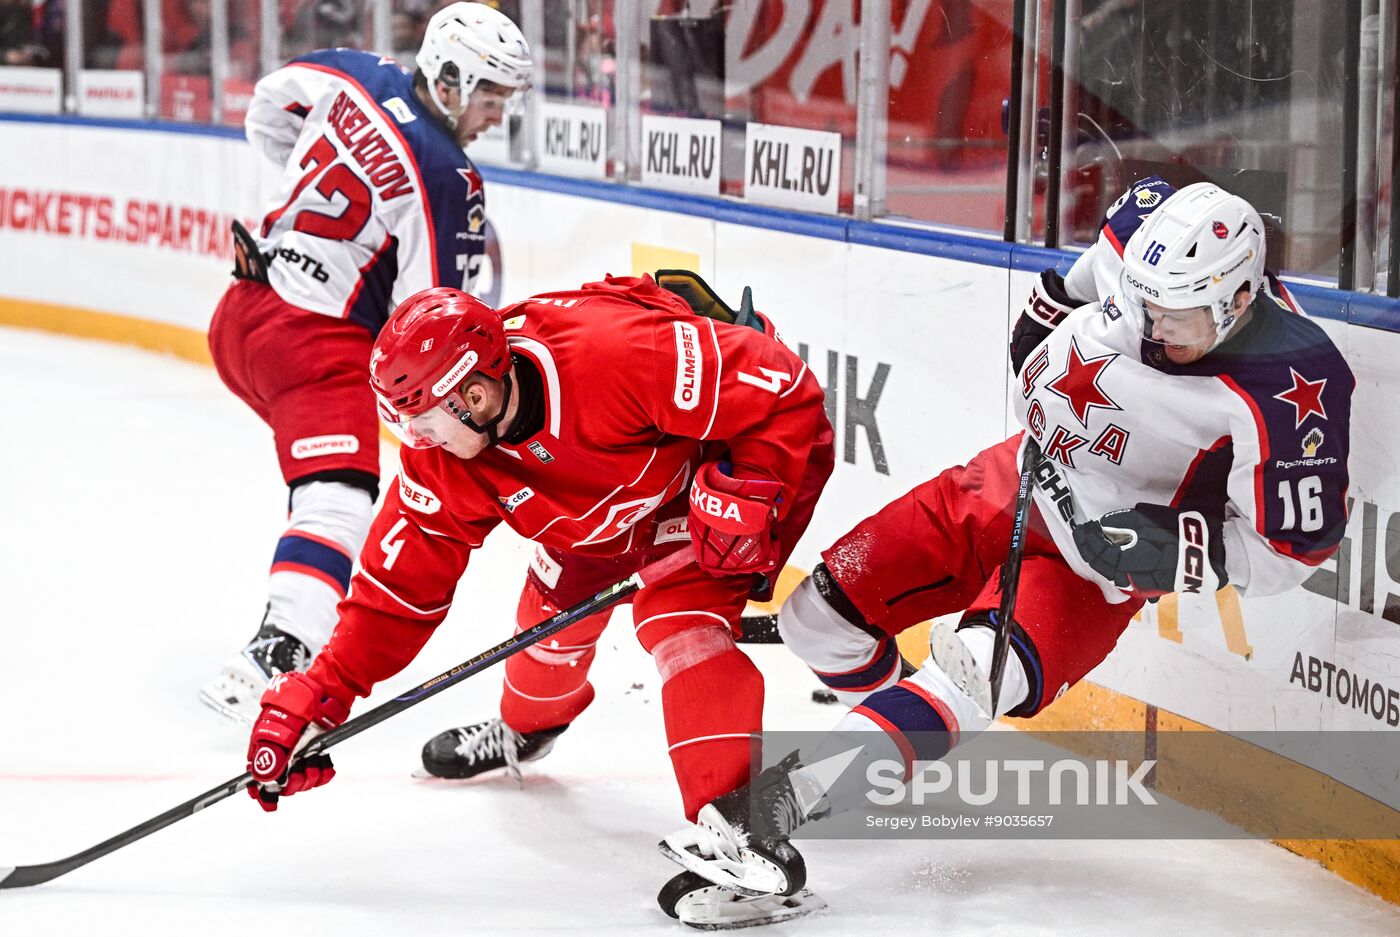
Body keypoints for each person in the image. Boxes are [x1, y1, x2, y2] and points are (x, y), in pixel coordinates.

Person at [656, 182, 1354, 927]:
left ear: (1236, 298)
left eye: (1174, 317)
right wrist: (1041, 319)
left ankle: (778, 809)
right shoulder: (1141, 233)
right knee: (814, 620)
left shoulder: (1291, 380)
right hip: (1005, 478)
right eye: (1142, 304)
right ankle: (898, 735)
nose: (1150, 328)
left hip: (1089, 570)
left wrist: (1178, 552)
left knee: (967, 675)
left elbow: (1293, 547)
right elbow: (1072, 283)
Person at [241, 274, 836, 886]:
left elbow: (783, 387)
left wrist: (749, 486)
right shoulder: (449, 453)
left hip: (697, 486)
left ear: (471, 395)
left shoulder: (614, 354)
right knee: (547, 629)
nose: (414, 439)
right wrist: (322, 691)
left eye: (421, 420)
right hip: (589, 516)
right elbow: (397, 590)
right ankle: (525, 734)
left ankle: (739, 838)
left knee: (679, 626)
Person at [199, 2, 533, 724]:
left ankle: (294, 618)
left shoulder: (352, 72)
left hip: (240, 313)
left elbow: (267, 110)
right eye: (491, 97)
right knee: (341, 491)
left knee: (327, 479)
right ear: (449, 80)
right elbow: (433, 328)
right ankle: (277, 653)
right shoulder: (450, 179)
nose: (497, 117)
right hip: (310, 340)